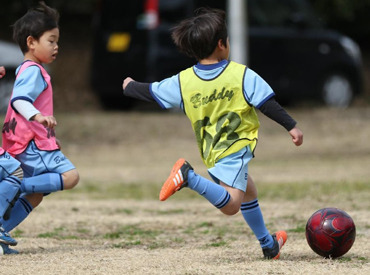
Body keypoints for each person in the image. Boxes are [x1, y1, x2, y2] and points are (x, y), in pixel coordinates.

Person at [122, 8, 303, 259]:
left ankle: (268, 244)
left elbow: (152, 92)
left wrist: (130, 86)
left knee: (248, 190)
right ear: (221, 44)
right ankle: (188, 177)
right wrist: (291, 126)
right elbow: (266, 102)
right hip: (235, 148)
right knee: (231, 206)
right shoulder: (240, 75)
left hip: (213, 152)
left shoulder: (184, 81)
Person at [1, 2, 79, 254]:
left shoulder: (29, 69)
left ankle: (2, 233)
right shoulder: (33, 71)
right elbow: (19, 100)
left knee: (37, 195)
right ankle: (12, 186)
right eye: (51, 40)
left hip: (31, 142)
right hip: (32, 145)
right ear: (31, 42)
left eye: (57, 41)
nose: (56, 46)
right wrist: (38, 116)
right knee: (70, 178)